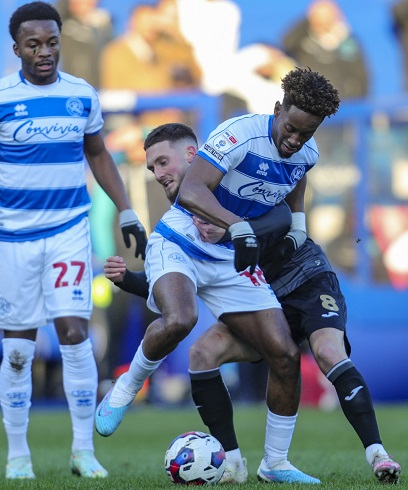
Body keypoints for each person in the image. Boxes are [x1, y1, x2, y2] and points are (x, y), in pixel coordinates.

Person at [102, 124, 401, 484]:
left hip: (299, 276)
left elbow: (283, 216)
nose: (158, 174)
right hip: (245, 274)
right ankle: (227, 459)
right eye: (152, 168)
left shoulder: (237, 170)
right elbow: (176, 284)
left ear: (193, 155)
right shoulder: (185, 213)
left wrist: (235, 227)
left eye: (163, 163)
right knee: (196, 342)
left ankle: (361, 455)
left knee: (311, 352)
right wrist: (128, 279)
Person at [95, 68, 340, 484]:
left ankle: (275, 463)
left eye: (308, 132)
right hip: (182, 238)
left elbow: (293, 193)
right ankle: (125, 389)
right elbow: (191, 191)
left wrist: (293, 229)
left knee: (284, 354)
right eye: (292, 128)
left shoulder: (307, 152)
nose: (296, 139)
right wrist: (239, 226)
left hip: (230, 256)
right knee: (180, 318)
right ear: (277, 109)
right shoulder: (239, 133)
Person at [0, 1, 147, 480]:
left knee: (74, 335)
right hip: (15, 241)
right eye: (33, 44)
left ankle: (83, 451)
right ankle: (18, 456)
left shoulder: (82, 95)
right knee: (17, 351)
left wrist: (126, 209)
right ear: (17, 49)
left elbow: (99, 154)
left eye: (52, 42)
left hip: (68, 234)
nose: (45, 52)